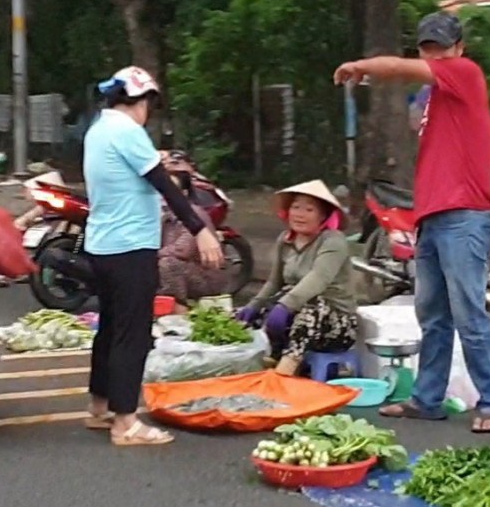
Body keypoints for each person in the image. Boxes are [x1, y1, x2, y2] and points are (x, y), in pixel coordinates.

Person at [332, 11, 490, 433]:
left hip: (465, 215)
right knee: (432, 313)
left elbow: (395, 68)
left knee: (469, 311)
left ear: (458, 48)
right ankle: (427, 399)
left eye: (440, 47)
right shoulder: (433, 100)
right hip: (430, 216)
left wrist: (360, 67)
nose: (433, 54)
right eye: (427, 46)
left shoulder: (464, 73)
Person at [83, 65, 223, 447]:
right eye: (149, 103)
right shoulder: (128, 131)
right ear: (141, 100)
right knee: (133, 334)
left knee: (110, 328)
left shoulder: (99, 129)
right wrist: (201, 232)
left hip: (102, 245)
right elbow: (168, 187)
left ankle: (100, 406)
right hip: (131, 247)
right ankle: (125, 423)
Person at [235, 180, 356, 376]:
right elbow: (274, 282)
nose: (299, 214)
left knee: (312, 306)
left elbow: (319, 278)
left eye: (309, 210)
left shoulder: (333, 240)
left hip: (335, 324)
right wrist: (253, 306)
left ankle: (285, 371)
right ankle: (268, 359)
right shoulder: (285, 240)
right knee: (257, 312)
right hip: (295, 314)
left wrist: (286, 306)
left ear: (323, 216)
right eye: (295, 207)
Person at [158, 171, 227, 311]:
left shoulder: (193, 214)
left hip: (203, 274)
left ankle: (178, 310)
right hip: (181, 268)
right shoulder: (163, 214)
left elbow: (183, 250)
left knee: (168, 264)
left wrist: (152, 253)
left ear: (183, 193)